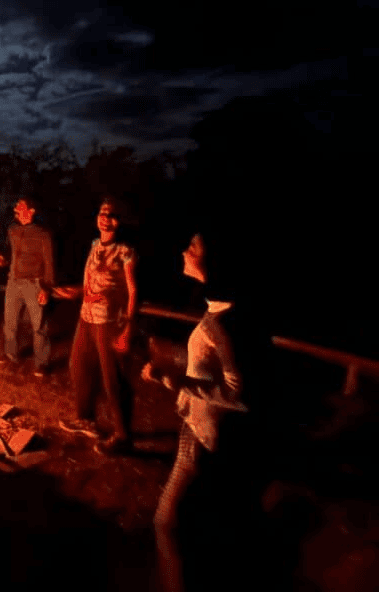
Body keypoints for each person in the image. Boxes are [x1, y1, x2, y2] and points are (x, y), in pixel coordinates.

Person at [142, 230, 248, 592]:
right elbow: (210, 365)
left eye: (193, 247)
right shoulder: (218, 308)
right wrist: (173, 358)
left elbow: (236, 391)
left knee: (166, 523)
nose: (185, 251)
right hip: (199, 426)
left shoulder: (222, 324)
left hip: (205, 433)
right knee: (195, 522)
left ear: (212, 263)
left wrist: (177, 380)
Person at [55, 197, 138, 453]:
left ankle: (122, 436)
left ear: (119, 222)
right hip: (86, 316)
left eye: (112, 215)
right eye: (103, 213)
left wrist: (127, 328)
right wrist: (76, 291)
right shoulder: (94, 245)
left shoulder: (125, 251)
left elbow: (132, 291)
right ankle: (86, 419)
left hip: (108, 321)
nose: (106, 218)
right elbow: (92, 283)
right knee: (78, 365)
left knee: (112, 378)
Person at [0, 196, 55, 375]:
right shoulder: (13, 230)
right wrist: (0, 259)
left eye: (20, 206)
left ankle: (41, 362)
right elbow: (10, 255)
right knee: (10, 322)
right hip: (14, 282)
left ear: (31, 211)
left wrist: (47, 287)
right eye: (16, 205)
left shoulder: (43, 234)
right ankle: (11, 355)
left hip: (35, 283)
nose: (15, 208)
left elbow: (49, 263)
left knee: (38, 325)